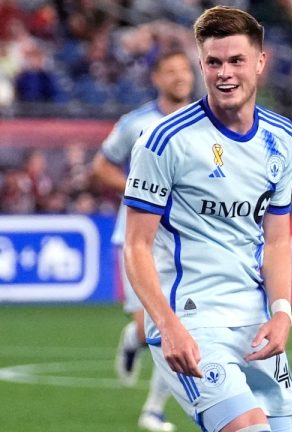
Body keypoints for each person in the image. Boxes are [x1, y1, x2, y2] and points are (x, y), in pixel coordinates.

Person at [122, 6, 292, 432]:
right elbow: (136, 245)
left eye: (236, 60)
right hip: (192, 319)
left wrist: (282, 312)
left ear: (260, 62)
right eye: (214, 62)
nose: (225, 73)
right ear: (201, 65)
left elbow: (276, 241)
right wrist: (167, 326)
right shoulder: (165, 140)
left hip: (255, 325)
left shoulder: (282, 139)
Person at [91, 49, 196, 432]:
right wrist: (140, 189)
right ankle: (131, 338)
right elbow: (100, 166)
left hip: (186, 239)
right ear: (156, 78)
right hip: (139, 236)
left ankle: (153, 410)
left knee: (179, 323)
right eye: (170, 71)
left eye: (185, 70)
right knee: (149, 325)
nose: (180, 77)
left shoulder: (204, 121)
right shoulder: (135, 123)